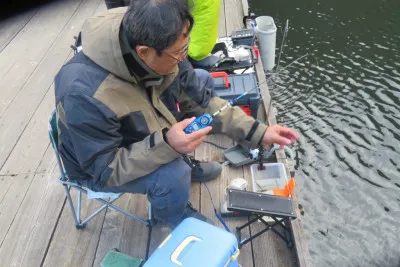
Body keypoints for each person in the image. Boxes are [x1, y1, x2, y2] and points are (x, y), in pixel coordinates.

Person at [54, 0, 299, 228]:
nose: (185, 57)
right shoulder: (82, 94)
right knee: (172, 173)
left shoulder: (162, 37)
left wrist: (260, 132)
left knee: (201, 79)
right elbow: (103, 168)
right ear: (144, 52)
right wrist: (168, 145)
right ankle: (175, 216)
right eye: (180, 52)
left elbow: (202, 103)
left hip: (146, 131)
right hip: (100, 165)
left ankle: (181, 163)